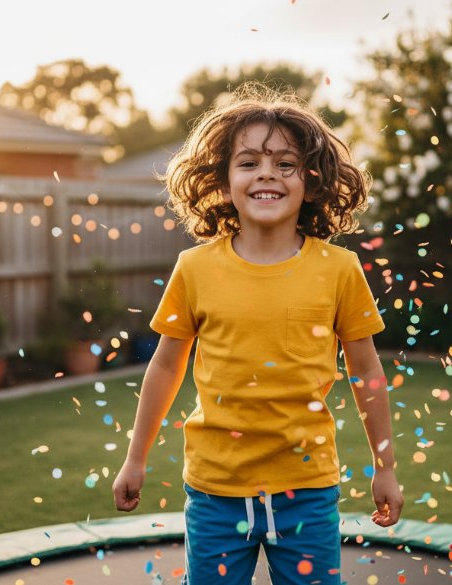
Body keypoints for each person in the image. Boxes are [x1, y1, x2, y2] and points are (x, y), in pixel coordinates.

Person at [112, 83, 403, 585]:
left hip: (307, 491)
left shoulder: (340, 270)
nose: (266, 173)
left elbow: (367, 371)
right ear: (224, 183)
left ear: (310, 183)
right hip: (215, 491)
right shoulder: (195, 268)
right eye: (248, 162)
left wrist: (386, 466)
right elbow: (164, 365)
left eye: (285, 164)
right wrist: (135, 457)